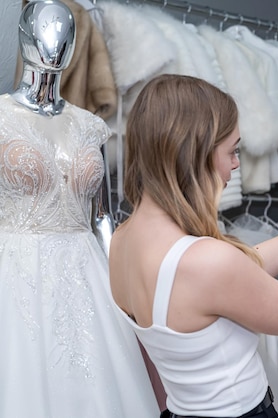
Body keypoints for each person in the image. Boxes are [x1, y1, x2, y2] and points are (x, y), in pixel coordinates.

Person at [107, 73, 278, 418]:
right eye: (232, 151)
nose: (236, 165)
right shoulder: (206, 263)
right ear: (194, 155)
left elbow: (245, 266)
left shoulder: (122, 241)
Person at [0, 1, 159, 417]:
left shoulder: (89, 125)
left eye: (65, 34)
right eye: (46, 31)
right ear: (24, 35)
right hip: (14, 271)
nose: (55, 45)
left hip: (86, 271)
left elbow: (103, 216)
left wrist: (124, 286)